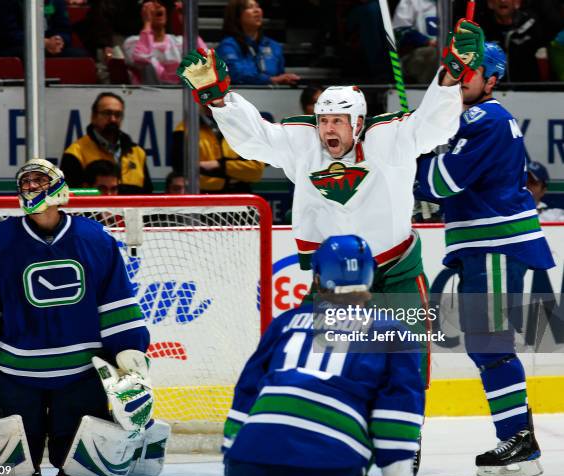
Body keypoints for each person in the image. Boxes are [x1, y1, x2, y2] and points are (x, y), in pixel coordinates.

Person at [177, 20, 484, 313]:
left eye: (338, 121)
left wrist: (452, 75)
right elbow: (255, 139)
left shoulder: (390, 138)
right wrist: (218, 99)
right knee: (324, 360)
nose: (328, 129)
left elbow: (432, 126)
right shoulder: (304, 144)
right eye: (323, 121)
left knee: (407, 355)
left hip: (395, 275)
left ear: (359, 123)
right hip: (335, 280)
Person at [0, 159, 162, 476]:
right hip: (16, 376)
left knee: (83, 474)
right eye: (26, 182)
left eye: (40, 180)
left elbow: (117, 308)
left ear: (60, 186)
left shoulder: (96, 239)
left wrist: (131, 362)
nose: (32, 187)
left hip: (81, 375)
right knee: (11, 474)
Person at [415, 43, 552, 476]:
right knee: (487, 343)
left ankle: (519, 443)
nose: (461, 78)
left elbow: (442, 181)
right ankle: (520, 437)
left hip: (495, 242)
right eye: (457, 70)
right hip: (486, 244)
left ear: (491, 80)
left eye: (470, 73)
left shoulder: (486, 118)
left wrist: (408, 162)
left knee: (489, 343)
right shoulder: (470, 117)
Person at [222, 235, 424, 476]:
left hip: (250, 457)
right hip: (329, 462)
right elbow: (394, 412)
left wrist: (232, 457)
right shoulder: (392, 332)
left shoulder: (285, 323)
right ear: (370, 276)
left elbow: (246, 391)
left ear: (316, 278)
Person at [61, 92, 153, 194]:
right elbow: (69, 199)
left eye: (117, 114)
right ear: (93, 116)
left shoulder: (137, 152)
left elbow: (147, 195)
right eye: (107, 113)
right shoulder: (75, 153)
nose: (113, 119)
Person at [172, 105, 265, 193]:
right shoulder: (184, 129)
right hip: (203, 196)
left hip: (241, 195)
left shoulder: (243, 127)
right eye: (204, 97)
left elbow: (256, 170)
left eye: (216, 97)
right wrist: (236, 170)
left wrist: (218, 165)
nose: (210, 102)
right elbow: (183, 169)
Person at [123, 0, 208, 85]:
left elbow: (204, 58)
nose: (157, 6)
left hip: (178, 94)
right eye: (151, 4)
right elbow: (141, 58)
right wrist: (147, 23)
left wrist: (186, 23)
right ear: (142, 14)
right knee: (149, 65)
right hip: (147, 94)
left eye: (160, 3)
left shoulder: (179, 42)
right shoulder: (132, 42)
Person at [216, 0, 300, 85]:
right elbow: (236, 74)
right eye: (249, 7)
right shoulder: (228, 46)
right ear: (237, 16)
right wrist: (271, 80)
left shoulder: (273, 45)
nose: (257, 10)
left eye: (257, 6)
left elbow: (280, 75)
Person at [0, 0, 88, 58]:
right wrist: (42, 42)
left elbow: (64, 28)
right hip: (13, 47)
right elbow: (7, 34)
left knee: (80, 55)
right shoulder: (3, 2)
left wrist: (59, 40)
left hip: (49, 46)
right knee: (34, 55)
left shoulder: (56, 1)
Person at [476, 0, 548, 82]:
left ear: (517, 3)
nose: (502, 1)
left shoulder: (532, 25)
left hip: (528, 87)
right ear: (490, 3)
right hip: (494, 87)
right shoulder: (480, 29)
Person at [392, 0, 439, 84]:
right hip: (414, 54)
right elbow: (399, 31)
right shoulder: (410, 2)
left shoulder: (452, 4)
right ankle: (430, 93)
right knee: (434, 54)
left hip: (448, 51)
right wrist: (426, 41)